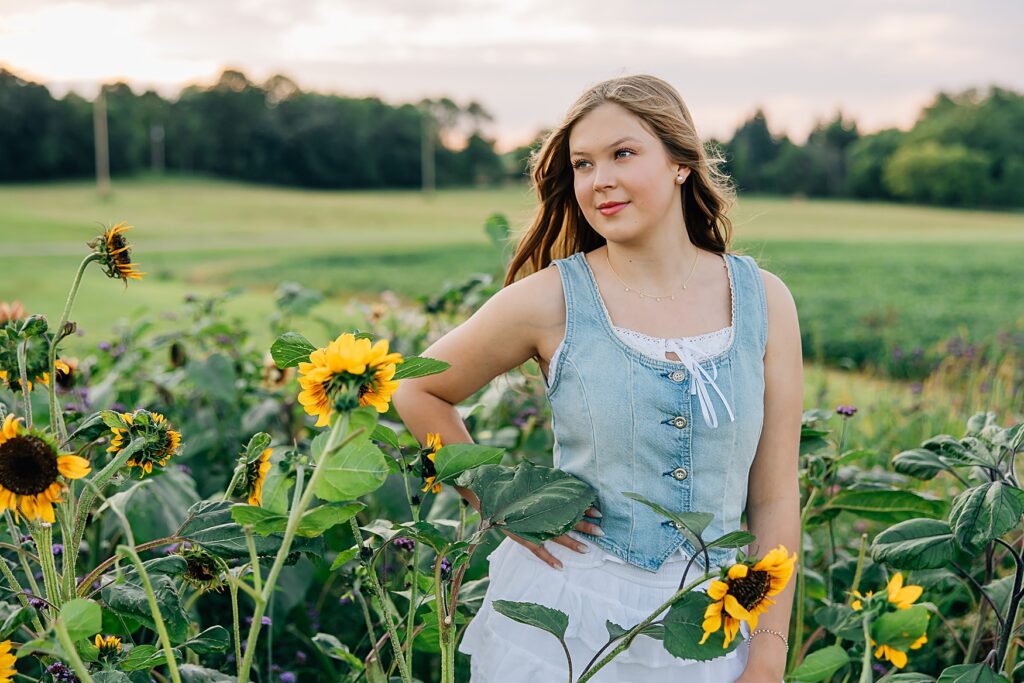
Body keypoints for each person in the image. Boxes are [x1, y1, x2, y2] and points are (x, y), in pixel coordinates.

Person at [391, 74, 802, 683]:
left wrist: (767, 656)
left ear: (680, 164)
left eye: (623, 154)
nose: (598, 179)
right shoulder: (552, 298)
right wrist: (496, 499)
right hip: (568, 612)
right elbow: (416, 386)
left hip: (710, 624)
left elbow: (773, 496)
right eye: (583, 164)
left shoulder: (763, 300)